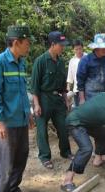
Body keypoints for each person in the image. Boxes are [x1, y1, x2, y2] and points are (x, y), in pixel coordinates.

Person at [0, 24, 34, 192]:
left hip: (21, 119)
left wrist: (29, 113)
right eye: (27, 43)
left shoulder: (21, 63)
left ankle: (13, 188)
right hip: (7, 123)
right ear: (16, 42)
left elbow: (22, 92)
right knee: (5, 163)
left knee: (21, 157)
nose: (28, 47)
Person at [31, 31, 73, 169]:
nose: (63, 48)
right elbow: (35, 86)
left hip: (57, 99)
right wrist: (36, 104)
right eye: (61, 45)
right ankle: (45, 157)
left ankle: (65, 152)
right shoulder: (41, 61)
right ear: (53, 44)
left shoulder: (61, 62)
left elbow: (63, 86)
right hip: (43, 98)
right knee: (42, 130)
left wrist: (66, 99)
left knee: (63, 126)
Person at [77, 33, 105, 103]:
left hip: (102, 97)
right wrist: (82, 99)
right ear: (96, 48)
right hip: (88, 98)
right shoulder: (85, 60)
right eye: (102, 47)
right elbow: (80, 81)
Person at [67, 40, 86, 108]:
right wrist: (68, 88)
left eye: (80, 48)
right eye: (76, 49)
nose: (78, 51)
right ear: (73, 50)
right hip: (76, 90)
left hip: (87, 89)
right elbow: (70, 76)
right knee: (78, 110)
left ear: (82, 48)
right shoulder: (72, 61)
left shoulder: (88, 58)